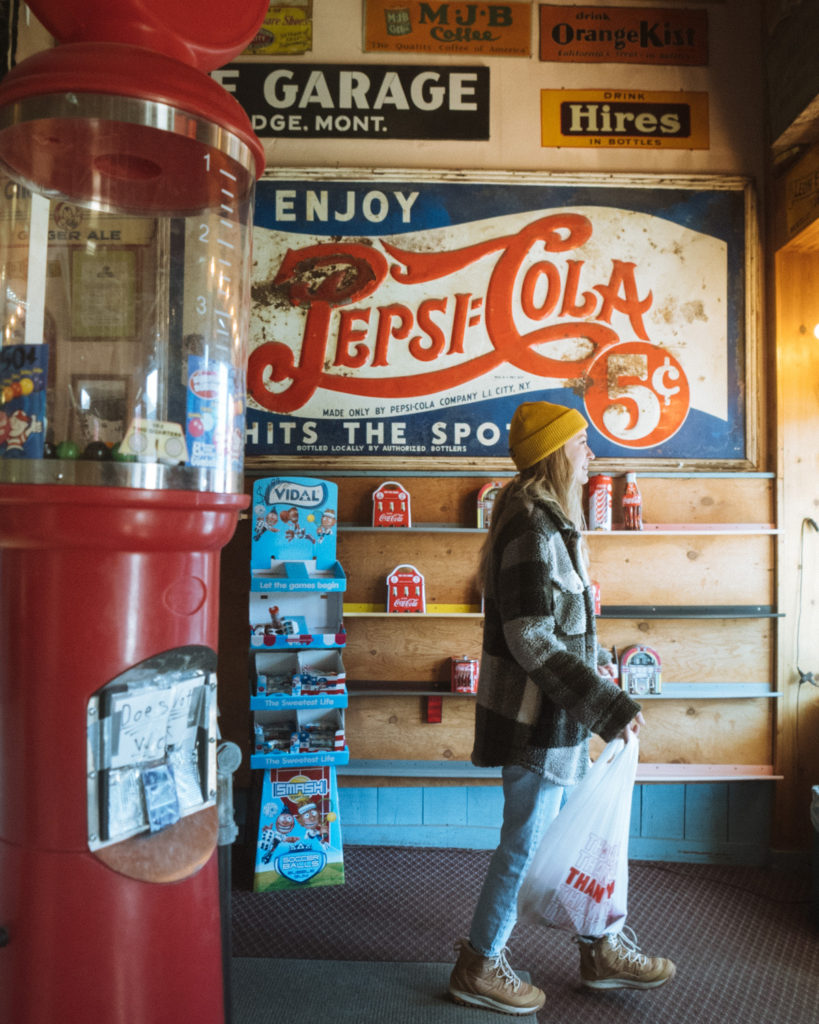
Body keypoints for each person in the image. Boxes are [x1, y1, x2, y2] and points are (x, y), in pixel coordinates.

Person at [449, 400, 675, 1016]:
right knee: (524, 846)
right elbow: (530, 637)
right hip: (535, 722)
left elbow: (564, 631)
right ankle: (478, 962)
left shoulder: (549, 519)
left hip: (560, 718)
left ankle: (599, 947)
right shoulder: (530, 524)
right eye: (582, 443)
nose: (591, 453)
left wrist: (599, 687)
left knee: (579, 841)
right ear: (555, 453)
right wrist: (608, 703)